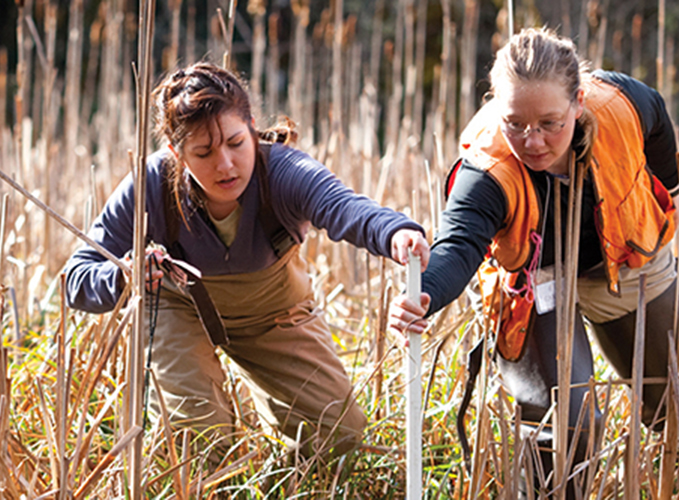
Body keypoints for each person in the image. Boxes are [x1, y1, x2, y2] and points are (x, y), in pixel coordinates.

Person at [386, 27, 679, 490]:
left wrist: (666, 187)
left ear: (578, 102)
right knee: (565, 425)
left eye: (550, 123)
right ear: (497, 105)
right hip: (532, 283)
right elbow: (458, 246)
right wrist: (424, 294)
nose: (533, 141)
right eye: (515, 123)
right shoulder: (486, 170)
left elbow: (656, 114)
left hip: (625, 257)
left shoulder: (620, 103)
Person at [64, 62, 428, 457]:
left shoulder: (285, 173)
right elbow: (76, 278)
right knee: (196, 441)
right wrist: (123, 277)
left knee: (339, 438)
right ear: (176, 154)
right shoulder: (150, 182)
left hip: (272, 315)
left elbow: (343, 206)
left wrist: (394, 232)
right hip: (178, 309)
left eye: (236, 143)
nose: (225, 165)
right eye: (203, 152)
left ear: (252, 128)